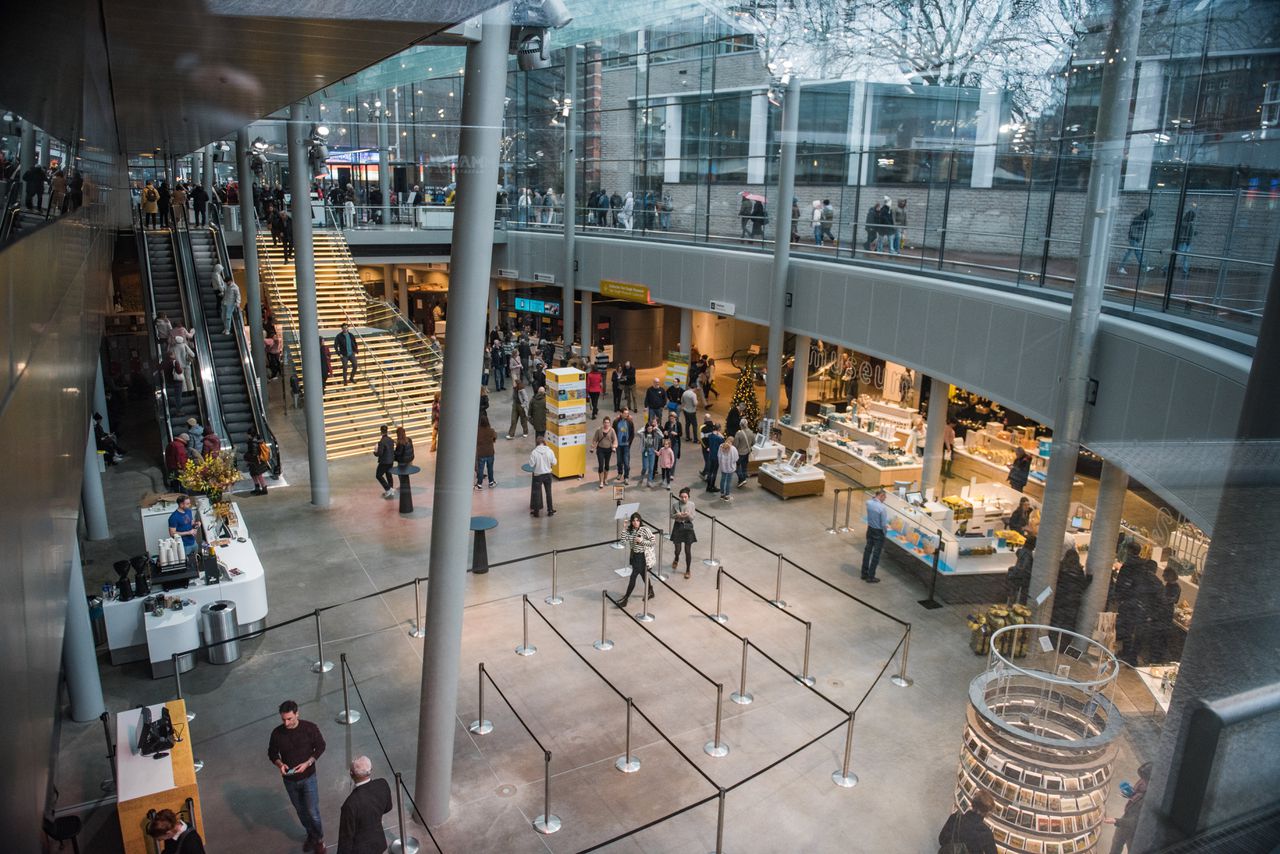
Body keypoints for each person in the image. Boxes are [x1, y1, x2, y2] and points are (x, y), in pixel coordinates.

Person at [267, 699, 328, 854]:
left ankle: (320, 840)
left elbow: (321, 746)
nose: (286, 723)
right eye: (283, 719)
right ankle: (311, 835)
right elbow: (272, 753)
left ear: (297, 714)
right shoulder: (277, 733)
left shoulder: (309, 728)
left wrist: (308, 763)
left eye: (289, 719)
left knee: (312, 812)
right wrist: (280, 764)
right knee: (301, 812)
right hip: (290, 780)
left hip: (308, 778)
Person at [337, 756, 392, 854]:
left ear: (351, 774)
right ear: (371, 770)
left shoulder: (349, 805)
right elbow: (388, 807)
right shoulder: (382, 784)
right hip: (378, 843)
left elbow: (345, 840)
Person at [1104, 762, 1152, 854]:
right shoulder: (1144, 783)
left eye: (1144, 778)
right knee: (1118, 842)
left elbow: (1137, 821)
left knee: (1129, 846)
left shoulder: (1149, 797)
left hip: (1132, 825)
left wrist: (1116, 821)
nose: (1141, 781)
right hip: (1128, 817)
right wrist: (1131, 794)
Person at [1050, 546, 1091, 648]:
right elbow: (1082, 586)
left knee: (1056, 621)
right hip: (1073, 602)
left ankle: (1053, 643)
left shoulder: (1060, 568)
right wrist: (1089, 579)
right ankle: (1064, 645)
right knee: (1069, 624)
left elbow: (1055, 582)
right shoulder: (1079, 571)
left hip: (1060, 599)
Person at [617, 512, 656, 607]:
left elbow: (652, 542)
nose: (635, 522)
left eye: (637, 520)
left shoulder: (645, 530)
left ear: (640, 521)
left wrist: (642, 541)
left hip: (642, 557)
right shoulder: (630, 531)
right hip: (634, 556)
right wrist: (624, 528)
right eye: (633, 521)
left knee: (633, 577)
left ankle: (626, 598)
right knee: (643, 575)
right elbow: (623, 541)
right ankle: (651, 591)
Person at [669, 487, 699, 577]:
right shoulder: (675, 505)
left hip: (687, 527)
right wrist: (676, 515)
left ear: (688, 497)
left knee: (688, 551)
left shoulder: (692, 505)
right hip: (678, 527)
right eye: (682, 497)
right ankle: (676, 558)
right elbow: (671, 515)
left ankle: (688, 570)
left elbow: (692, 518)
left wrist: (688, 514)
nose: (683, 499)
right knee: (677, 549)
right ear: (679, 497)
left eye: (685, 497)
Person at [861, 489, 888, 583]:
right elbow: (884, 524)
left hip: (870, 530)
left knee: (867, 551)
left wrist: (875, 497)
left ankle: (864, 573)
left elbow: (870, 500)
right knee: (876, 555)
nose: (885, 499)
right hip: (878, 532)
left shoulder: (869, 503)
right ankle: (871, 576)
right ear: (881, 496)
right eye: (884, 497)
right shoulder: (882, 508)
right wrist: (885, 533)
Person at [1117, 208, 1154, 275]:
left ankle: (1121, 267)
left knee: (1132, 253)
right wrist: (1136, 238)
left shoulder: (1139, 218)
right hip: (1134, 239)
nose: (1149, 218)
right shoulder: (1139, 219)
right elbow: (1134, 229)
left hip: (1134, 239)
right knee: (1136, 253)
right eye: (1149, 216)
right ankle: (1144, 267)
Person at [1005, 534, 1035, 605]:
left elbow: (1018, 554)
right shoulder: (1029, 554)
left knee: (1013, 593)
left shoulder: (1021, 551)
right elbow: (1024, 567)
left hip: (1016, 575)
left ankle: (1010, 605)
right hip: (1023, 577)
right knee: (1022, 595)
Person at [590, 416, 617, 489]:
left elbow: (614, 440)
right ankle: (601, 481)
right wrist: (592, 447)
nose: (606, 424)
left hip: (608, 450)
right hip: (600, 449)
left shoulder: (612, 430)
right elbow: (594, 440)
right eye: (605, 422)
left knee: (607, 465)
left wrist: (614, 446)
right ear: (603, 423)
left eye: (608, 423)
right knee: (601, 465)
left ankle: (605, 479)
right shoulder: (599, 430)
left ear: (610, 423)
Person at [613, 407, 636, 484]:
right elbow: (613, 433)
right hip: (618, 445)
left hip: (626, 445)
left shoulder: (630, 422)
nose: (627, 415)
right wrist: (614, 443)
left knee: (626, 462)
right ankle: (620, 473)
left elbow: (632, 433)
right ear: (621, 413)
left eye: (627, 413)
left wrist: (629, 442)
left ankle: (626, 476)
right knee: (619, 461)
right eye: (625, 413)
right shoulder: (616, 422)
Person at [474, 414, 497, 489]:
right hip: (490, 453)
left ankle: (479, 484)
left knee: (480, 469)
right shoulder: (491, 431)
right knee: (490, 468)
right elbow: (494, 438)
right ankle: (491, 482)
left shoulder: (477, 432)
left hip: (481, 454)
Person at [1174, 201, 1197, 276]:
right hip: (1183, 242)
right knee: (1177, 256)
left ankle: (1185, 270)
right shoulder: (1183, 223)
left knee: (1185, 257)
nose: (1193, 219)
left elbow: (1189, 232)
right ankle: (1165, 268)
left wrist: (1194, 233)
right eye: (1192, 217)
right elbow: (1182, 232)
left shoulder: (1189, 223)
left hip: (1187, 242)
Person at [246, 427, 271, 495]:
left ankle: (263, 488)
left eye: (248, 434)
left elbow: (254, 453)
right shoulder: (256, 440)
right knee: (254, 474)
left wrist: (246, 457)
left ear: (250, 434)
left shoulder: (253, 442)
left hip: (256, 462)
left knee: (258, 474)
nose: (247, 435)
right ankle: (259, 488)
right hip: (257, 461)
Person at [374, 425, 396, 499]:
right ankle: (391, 489)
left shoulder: (381, 442)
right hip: (391, 461)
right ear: (387, 431)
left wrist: (375, 452)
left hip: (384, 462)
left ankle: (388, 489)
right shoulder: (390, 439)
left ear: (381, 432)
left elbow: (379, 453)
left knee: (378, 475)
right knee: (388, 474)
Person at [703, 421, 724, 493]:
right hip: (716, 457)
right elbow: (723, 444)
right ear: (719, 429)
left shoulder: (710, 436)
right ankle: (711, 486)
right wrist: (721, 436)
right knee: (714, 472)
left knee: (710, 472)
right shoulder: (719, 438)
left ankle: (709, 486)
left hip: (711, 455)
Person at [717, 436, 739, 501]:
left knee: (722, 480)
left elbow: (718, 456)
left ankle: (722, 495)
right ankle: (727, 496)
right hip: (730, 468)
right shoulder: (733, 449)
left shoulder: (721, 446)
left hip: (723, 467)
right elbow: (736, 458)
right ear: (732, 442)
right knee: (728, 482)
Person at [639, 419, 660, 488]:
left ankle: (649, 481)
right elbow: (638, 432)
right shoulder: (643, 435)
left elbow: (662, 436)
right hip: (645, 451)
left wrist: (656, 428)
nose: (650, 429)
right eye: (648, 428)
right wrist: (644, 427)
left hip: (652, 451)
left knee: (651, 468)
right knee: (645, 467)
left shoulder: (655, 434)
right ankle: (642, 475)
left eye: (651, 428)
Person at [733, 419, 755, 485]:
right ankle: (744, 478)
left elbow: (735, 445)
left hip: (740, 453)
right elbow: (754, 443)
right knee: (744, 466)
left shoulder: (739, 433)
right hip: (747, 452)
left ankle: (741, 479)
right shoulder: (751, 432)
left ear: (740, 425)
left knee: (736, 467)